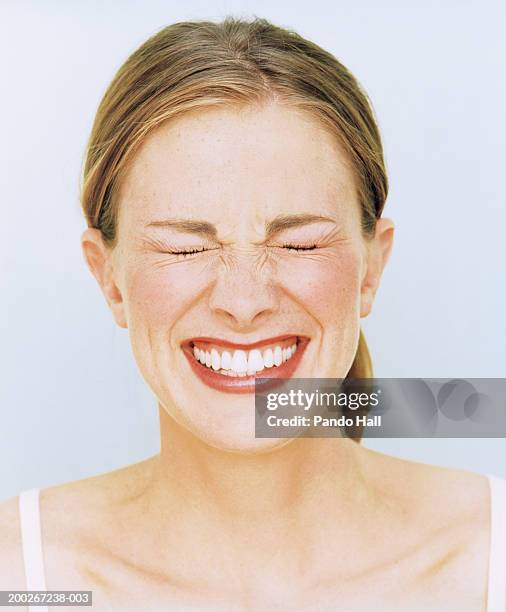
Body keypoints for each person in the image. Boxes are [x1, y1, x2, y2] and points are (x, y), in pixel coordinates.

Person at [1, 16, 505, 611]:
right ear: (108, 278)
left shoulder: (486, 557)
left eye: (298, 244)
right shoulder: (25, 578)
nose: (243, 302)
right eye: (184, 248)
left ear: (372, 267)